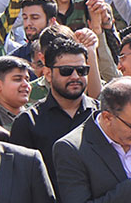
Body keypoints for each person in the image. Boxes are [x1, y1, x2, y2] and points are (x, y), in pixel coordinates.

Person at [9, 37, 99, 192]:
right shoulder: (28, 123)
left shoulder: (103, 115)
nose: (75, 77)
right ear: (48, 74)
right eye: (66, 71)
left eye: (81, 70)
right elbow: (21, 182)